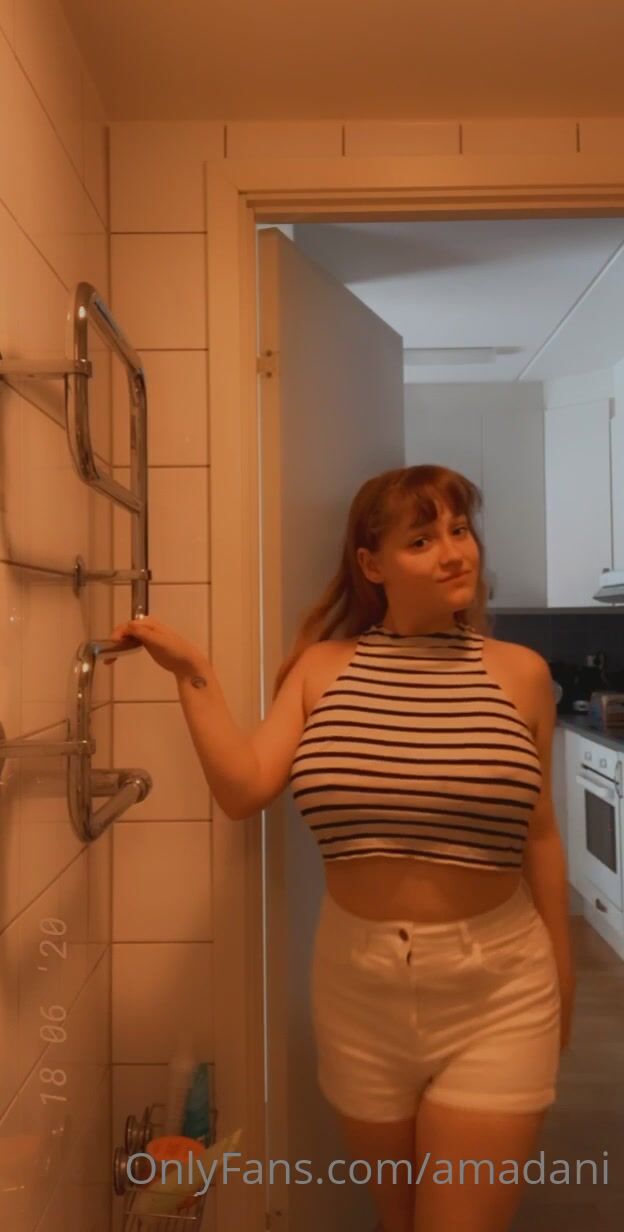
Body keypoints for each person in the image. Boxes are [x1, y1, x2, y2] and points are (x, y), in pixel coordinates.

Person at [107, 464, 576, 1232]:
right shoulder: (321, 670)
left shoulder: (521, 674)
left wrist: (564, 976)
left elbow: (543, 836)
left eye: (460, 531)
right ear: (371, 563)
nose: (454, 552)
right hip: (358, 993)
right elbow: (244, 789)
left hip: (499, 987)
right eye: (422, 540)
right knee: (398, 1219)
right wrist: (194, 673)